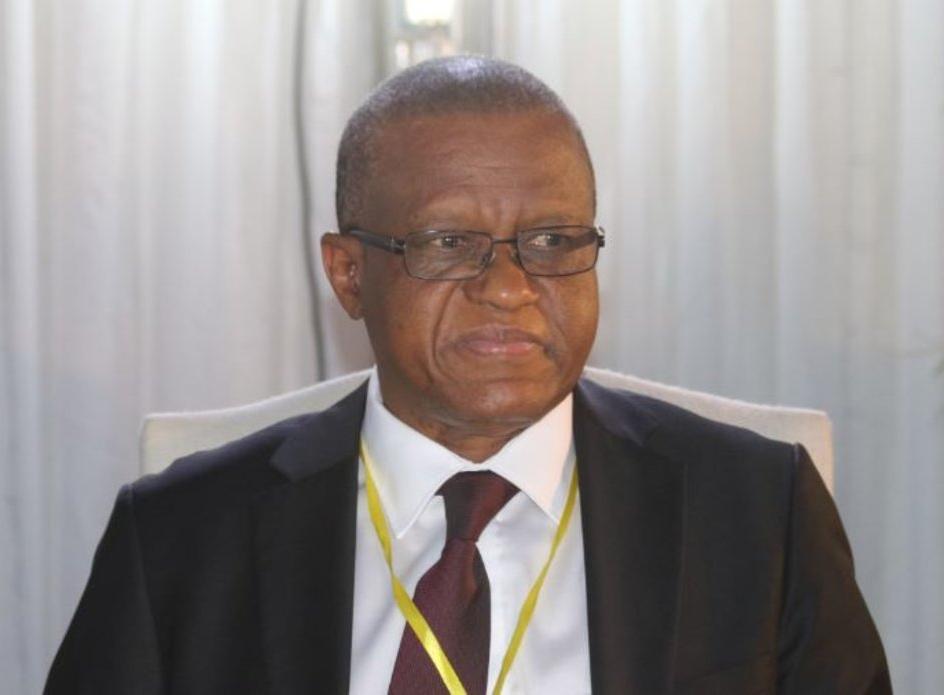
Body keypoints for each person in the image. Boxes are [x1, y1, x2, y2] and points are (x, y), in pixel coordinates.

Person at [45, 55, 891, 694]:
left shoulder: (757, 514)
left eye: (553, 241)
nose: (510, 286)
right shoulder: (182, 538)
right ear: (348, 274)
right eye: (448, 243)